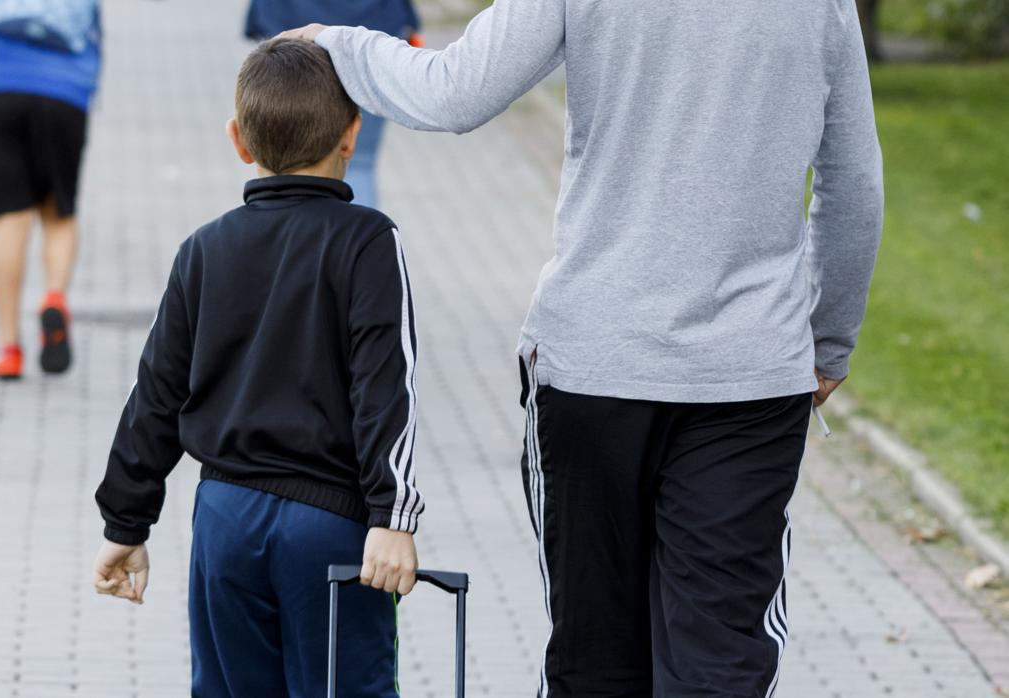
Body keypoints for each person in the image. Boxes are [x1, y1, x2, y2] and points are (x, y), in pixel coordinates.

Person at [284, 0, 884, 695]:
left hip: (593, 367)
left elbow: (452, 91)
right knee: (719, 658)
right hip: (746, 376)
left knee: (593, 656)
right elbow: (853, 182)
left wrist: (335, 42)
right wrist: (827, 341)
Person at [90, 39, 425, 697]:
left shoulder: (204, 248)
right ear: (352, 134)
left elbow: (156, 393)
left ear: (238, 140)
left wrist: (124, 523)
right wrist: (392, 517)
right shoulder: (367, 241)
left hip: (224, 518)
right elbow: (386, 385)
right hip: (331, 526)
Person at [0, 0, 102, 379]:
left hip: (4, 82)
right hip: (66, 91)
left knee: (10, 217)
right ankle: (54, 296)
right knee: (58, 213)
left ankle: (9, 349)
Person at [244, 0, 421, 209]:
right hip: (372, 43)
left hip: (289, 50)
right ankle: (362, 239)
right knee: (361, 163)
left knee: (280, 167)